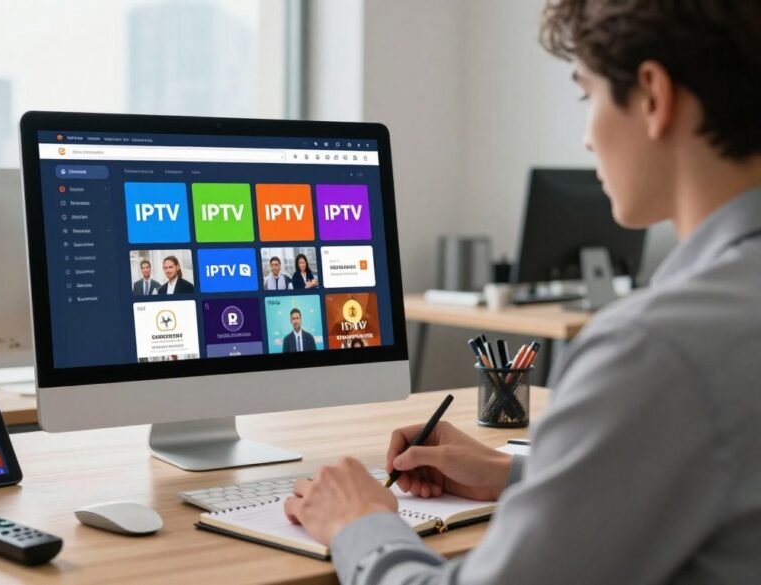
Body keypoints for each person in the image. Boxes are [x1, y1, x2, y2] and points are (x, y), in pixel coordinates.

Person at [283, 2, 761, 583]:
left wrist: (358, 522)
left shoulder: (656, 351)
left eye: (588, 98)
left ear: (653, 96)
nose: (587, 140)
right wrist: (515, 473)